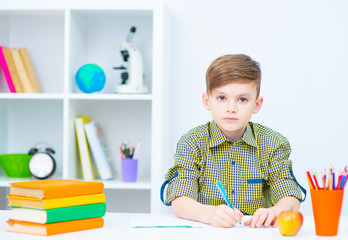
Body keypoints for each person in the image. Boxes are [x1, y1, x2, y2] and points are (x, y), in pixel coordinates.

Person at [161, 54, 305, 228]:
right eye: (221, 98)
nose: (231, 109)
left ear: (257, 105)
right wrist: (209, 214)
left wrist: (275, 211)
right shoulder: (192, 142)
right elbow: (179, 199)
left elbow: (290, 196)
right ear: (207, 101)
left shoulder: (273, 143)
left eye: (242, 99)